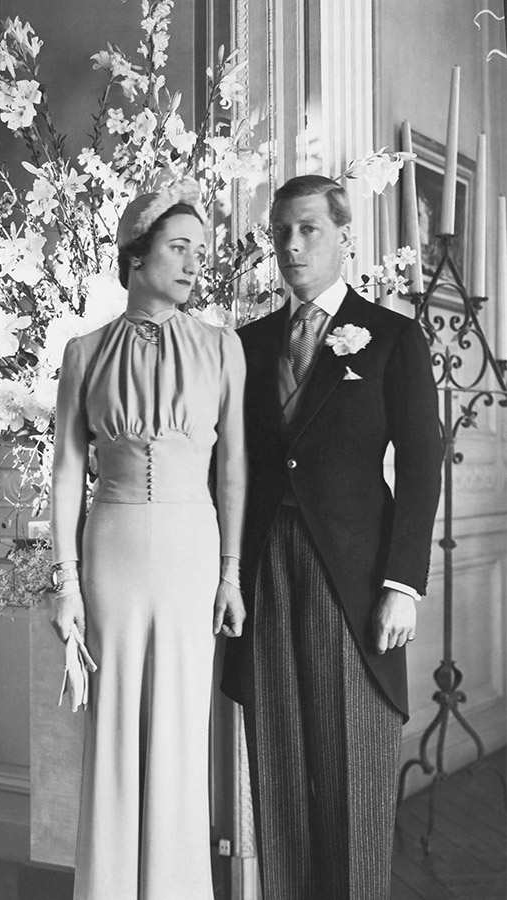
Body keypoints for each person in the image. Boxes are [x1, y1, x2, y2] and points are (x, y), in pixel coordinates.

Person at [222, 174, 443, 900]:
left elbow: (419, 464)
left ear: (346, 237)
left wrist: (402, 584)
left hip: (354, 581)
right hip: (262, 576)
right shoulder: (245, 346)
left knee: (353, 781)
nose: (290, 245)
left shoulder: (391, 337)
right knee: (279, 775)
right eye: (280, 231)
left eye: (308, 229)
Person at [49, 178, 247, 900]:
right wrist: (65, 584)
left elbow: (235, 475)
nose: (195, 264)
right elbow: (67, 476)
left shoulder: (223, 350)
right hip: (114, 552)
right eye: (178, 248)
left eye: (202, 251)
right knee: (113, 731)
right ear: (136, 256)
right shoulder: (85, 352)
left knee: (181, 732)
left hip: (194, 552)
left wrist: (229, 575)